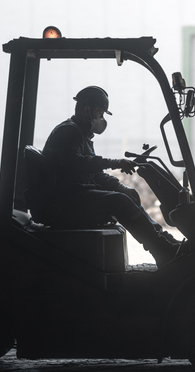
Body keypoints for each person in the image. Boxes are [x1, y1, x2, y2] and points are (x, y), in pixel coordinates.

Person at [41, 86, 180, 266]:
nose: (102, 119)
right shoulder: (69, 132)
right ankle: (164, 250)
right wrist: (114, 163)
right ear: (87, 110)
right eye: (100, 113)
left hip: (73, 194)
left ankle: (164, 239)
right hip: (64, 200)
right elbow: (76, 163)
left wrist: (120, 187)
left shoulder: (80, 134)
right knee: (119, 202)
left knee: (126, 196)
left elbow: (94, 173)